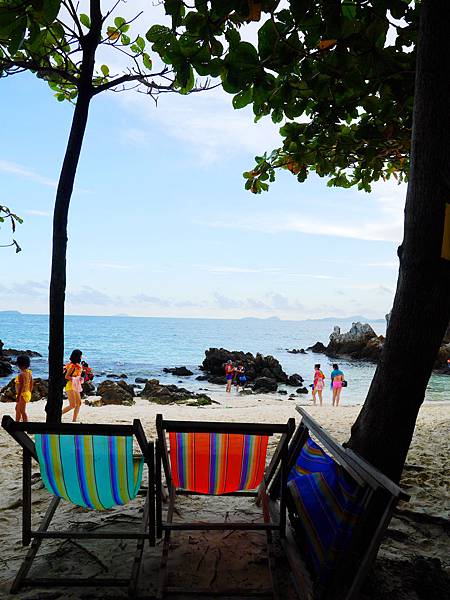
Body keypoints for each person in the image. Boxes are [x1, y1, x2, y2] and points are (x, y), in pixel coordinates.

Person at [62, 349, 83, 422]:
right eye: (80, 355)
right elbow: (66, 377)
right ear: (78, 357)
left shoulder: (78, 366)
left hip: (76, 385)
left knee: (79, 403)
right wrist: (75, 379)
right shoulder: (72, 366)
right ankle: (58, 415)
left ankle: (74, 420)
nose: (81, 357)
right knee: (72, 405)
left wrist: (79, 379)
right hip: (70, 385)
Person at [15, 355, 33, 422]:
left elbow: (21, 386)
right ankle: (17, 422)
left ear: (19, 365)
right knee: (17, 409)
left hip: (22, 394)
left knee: (22, 410)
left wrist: (18, 396)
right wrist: (30, 392)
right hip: (26, 393)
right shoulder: (29, 373)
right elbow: (31, 383)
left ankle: (25, 423)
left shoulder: (21, 375)